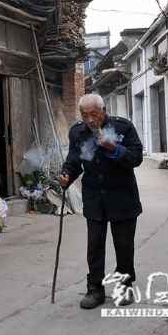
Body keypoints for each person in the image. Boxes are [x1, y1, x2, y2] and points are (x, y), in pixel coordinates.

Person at [58, 94, 143, 309]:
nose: (89, 120)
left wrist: (113, 148)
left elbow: (136, 158)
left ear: (103, 110)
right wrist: (66, 175)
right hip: (95, 197)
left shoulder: (123, 128)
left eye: (93, 114)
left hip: (122, 196)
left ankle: (125, 285)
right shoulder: (77, 132)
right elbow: (74, 161)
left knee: (123, 245)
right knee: (94, 245)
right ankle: (94, 289)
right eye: (85, 115)